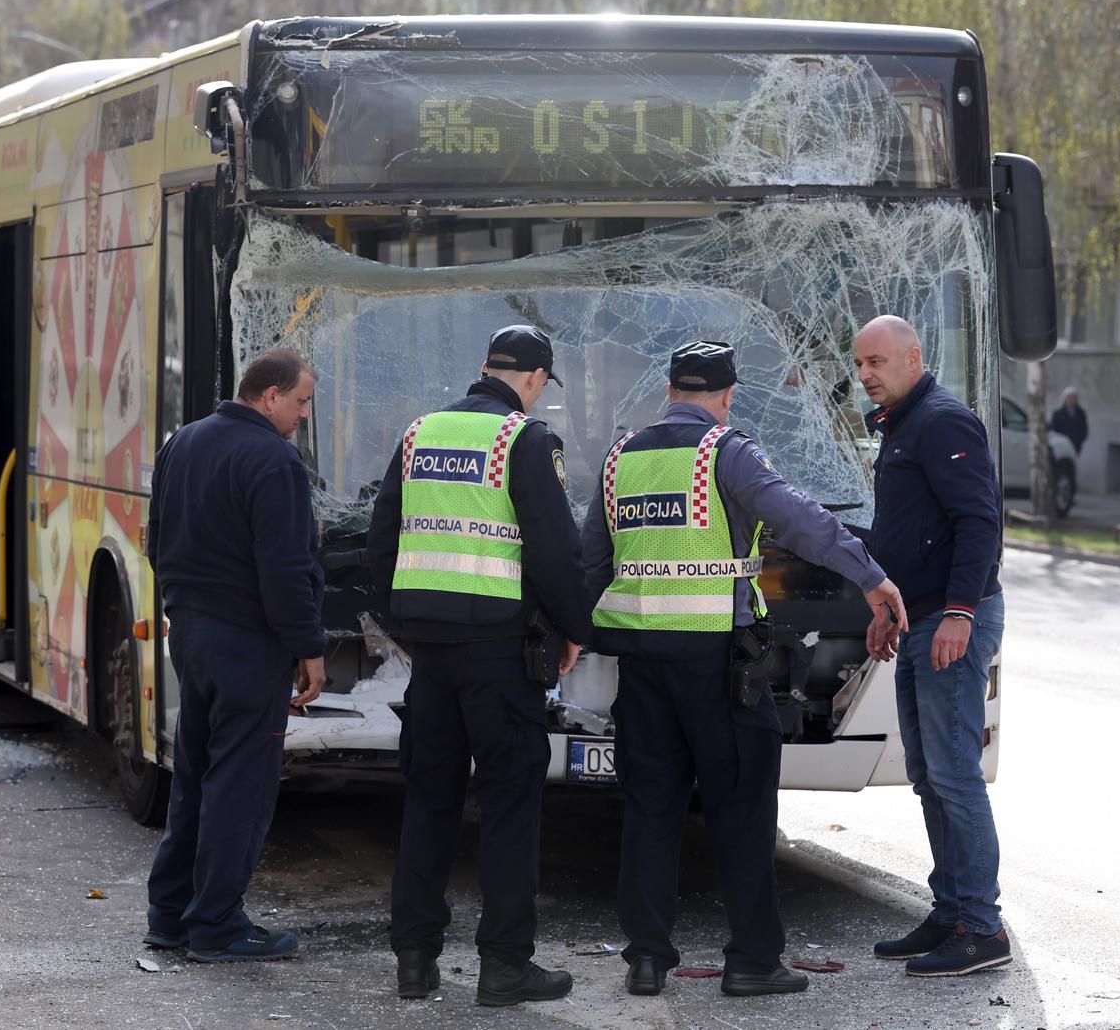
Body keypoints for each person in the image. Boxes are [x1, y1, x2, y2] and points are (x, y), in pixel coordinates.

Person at [582, 340, 909, 998]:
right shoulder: (723, 451)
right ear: (727, 397)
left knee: (649, 809)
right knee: (741, 810)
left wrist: (578, 637)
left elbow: (589, 564)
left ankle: (646, 957)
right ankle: (753, 959)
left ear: (672, 389)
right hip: (721, 667)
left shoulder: (621, 459)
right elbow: (801, 520)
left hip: (642, 667)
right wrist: (871, 576)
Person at [366, 324, 591, 1006]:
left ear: (485, 367)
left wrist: (406, 627)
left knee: (429, 800)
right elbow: (556, 554)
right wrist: (575, 629)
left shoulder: (420, 433)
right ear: (535, 379)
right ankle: (504, 965)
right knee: (508, 807)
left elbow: (382, 544)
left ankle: (415, 959)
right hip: (501, 657)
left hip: (430, 658)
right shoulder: (525, 440)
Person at [144, 346, 327, 964]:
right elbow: (286, 570)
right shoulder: (274, 460)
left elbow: (155, 540)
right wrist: (308, 646)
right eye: (301, 401)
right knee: (240, 786)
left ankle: (170, 915)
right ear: (269, 395)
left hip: (191, 635)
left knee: (193, 776)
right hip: (250, 644)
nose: (304, 414)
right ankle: (218, 925)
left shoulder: (183, 443)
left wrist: (186, 607)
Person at [853, 315, 1008, 976]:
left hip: (951, 623)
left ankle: (982, 924)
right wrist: (893, 607)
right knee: (927, 776)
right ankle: (949, 911)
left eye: (877, 361)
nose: (865, 374)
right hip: (917, 618)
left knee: (954, 776)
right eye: (859, 363)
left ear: (915, 358)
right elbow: (908, 529)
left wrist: (958, 613)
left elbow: (980, 521)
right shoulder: (901, 425)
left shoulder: (941, 420)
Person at [1049, 386, 1088, 454]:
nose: (1071, 400)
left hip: (1076, 445)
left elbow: (1084, 429)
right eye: (1069, 397)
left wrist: (1079, 440)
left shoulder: (1080, 413)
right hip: (1061, 445)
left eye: (1074, 398)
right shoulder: (1057, 414)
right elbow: (1054, 429)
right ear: (1065, 399)